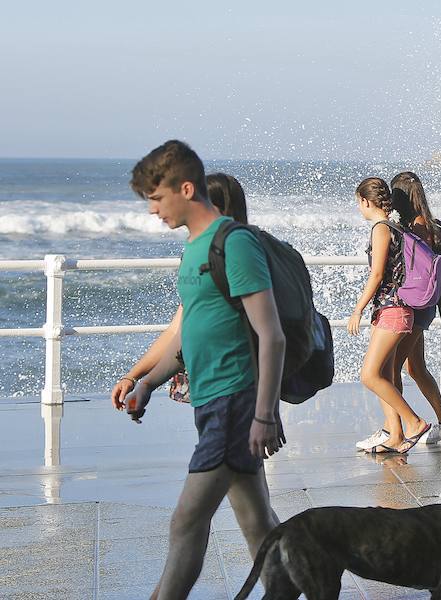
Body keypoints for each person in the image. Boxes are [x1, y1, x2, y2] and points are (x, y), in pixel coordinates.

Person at [121, 141, 284, 599]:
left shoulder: (235, 244)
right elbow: (187, 335)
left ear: (186, 188)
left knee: (186, 521)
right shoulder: (194, 249)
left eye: (156, 198)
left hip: (235, 402)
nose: (152, 210)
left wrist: (264, 415)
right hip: (211, 401)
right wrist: (147, 382)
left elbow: (272, 335)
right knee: (256, 522)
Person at [110, 172, 249, 407]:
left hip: (234, 391)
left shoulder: (238, 256)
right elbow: (177, 332)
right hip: (209, 393)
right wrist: (135, 378)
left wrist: (266, 412)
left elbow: (268, 336)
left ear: (214, 207)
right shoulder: (199, 256)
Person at [355, 172, 441, 451]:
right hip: (417, 306)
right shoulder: (411, 224)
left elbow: (395, 271)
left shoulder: (415, 226)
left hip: (412, 305)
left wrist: (359, 308)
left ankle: (398, 428)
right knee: (412, 368)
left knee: (387, 371)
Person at [347, 177, 431, 453]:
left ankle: (413, 422)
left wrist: (358, 308)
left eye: (358, 203)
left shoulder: (381, 228)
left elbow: (378, 274)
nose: (358, 208)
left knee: (369, 375)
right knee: (385, 373)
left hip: (392, 309)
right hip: (394, 309)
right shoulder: (395, 227)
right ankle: (395, 435)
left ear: (365, 201)